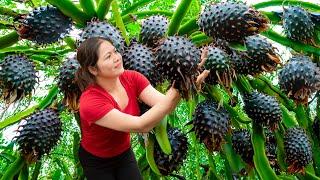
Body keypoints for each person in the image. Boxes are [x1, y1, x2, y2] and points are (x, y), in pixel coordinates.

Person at [75, 37, 209, 180]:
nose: (117, 58)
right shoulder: (90, 102)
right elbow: (141, 125)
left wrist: (188, 77)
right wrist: (179, 87)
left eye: (115, 51)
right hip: (96, 161)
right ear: (93, 69)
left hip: (123, 153)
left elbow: (165, 105)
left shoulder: (133, 78)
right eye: (108, 56)